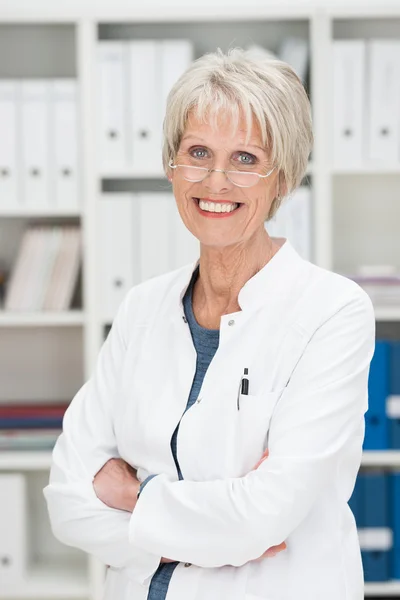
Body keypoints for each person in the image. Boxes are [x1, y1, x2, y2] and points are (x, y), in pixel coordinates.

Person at [43, 48, 375, 600]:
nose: (216, 180)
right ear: (172, 167)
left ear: (283, 177)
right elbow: (67, 499)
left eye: (245, 158)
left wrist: (134, 493)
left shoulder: (332, 312)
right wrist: (217, 529)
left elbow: (263, 516)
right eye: (198, 152)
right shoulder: (141, 309)